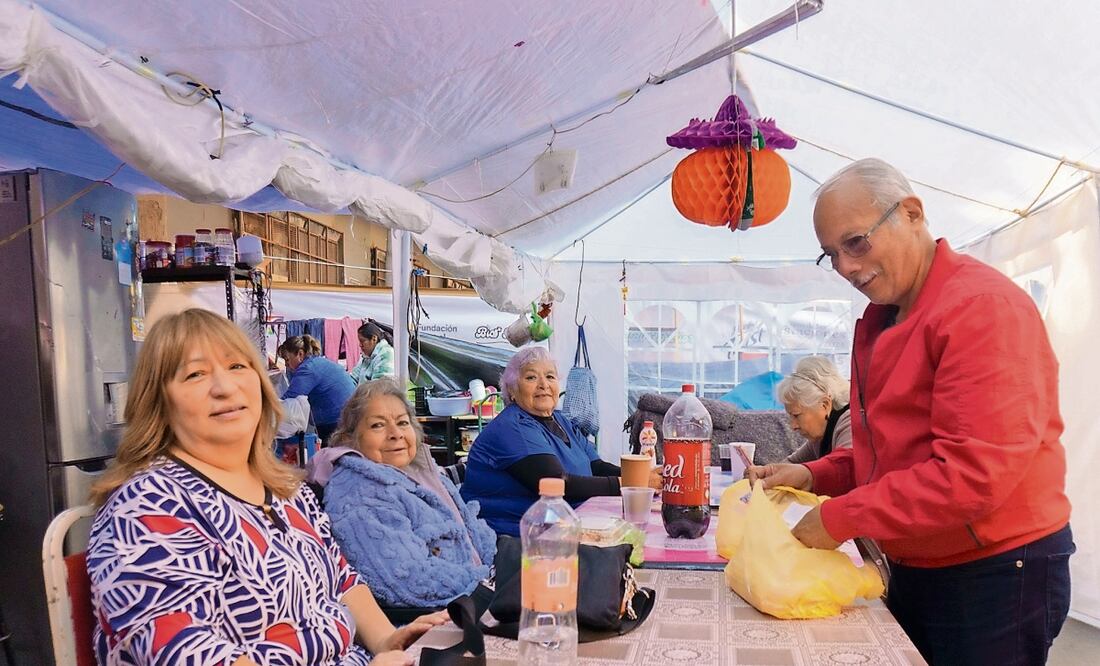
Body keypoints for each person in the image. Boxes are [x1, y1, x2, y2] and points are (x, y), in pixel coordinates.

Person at [748, 158, 1073, 665]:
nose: (846, 268)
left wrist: (840, 518)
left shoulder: (981, 307)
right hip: (920, 558)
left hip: (995, 568)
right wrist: (814, 474)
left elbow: (970, 475)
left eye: (856, 242)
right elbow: (890, 457)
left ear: (912, 213)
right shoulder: (886, 318)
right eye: (831, 254)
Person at [86, 309, 445, 666]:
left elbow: (341, 577)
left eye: (238, 367)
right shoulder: (147, 504)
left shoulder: (287, 489)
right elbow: (186, 652)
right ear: (158, 400)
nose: (225, 387)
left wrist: (387, 641)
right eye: (195, 374)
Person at [314, 378, 497, 609]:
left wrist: (501, 568)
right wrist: (487, 585)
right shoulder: (359, 491)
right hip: (428, 623)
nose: (395, 434)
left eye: (402, 423)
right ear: (351, 437)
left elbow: (473, 535)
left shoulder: (423, 470)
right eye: (377, 425)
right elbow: (409, 580)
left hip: (476, 598)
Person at [461, 347, 661, 536]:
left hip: (561, 529)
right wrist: (634, 483)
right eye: (531, 377)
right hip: (515, 539)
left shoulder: (561, 421)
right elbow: (557, 484)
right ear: (511, 390)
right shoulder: (513, 426)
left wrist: (644, 476)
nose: (544, 385)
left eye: (550, 376)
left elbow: (596, 466)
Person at [279, 334, 356, 444]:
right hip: (349, 415)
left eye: (287, 359)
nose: (286, 365)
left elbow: (289, 399)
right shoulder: (318, 362)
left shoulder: (307, 369)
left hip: (337, 421)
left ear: (300, 354)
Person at [777, 356, 852, 464]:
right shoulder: (820, 434)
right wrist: (766, 472)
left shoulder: (850, 425)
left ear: (825, 404)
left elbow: (842, 469)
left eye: (796, 415)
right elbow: (791, 464)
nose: (793, 426)